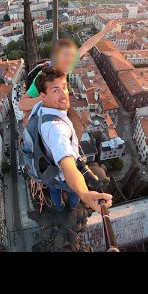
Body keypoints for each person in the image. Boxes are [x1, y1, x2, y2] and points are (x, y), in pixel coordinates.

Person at [33, 66, 113, 213]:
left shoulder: (40, 107)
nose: (64, 94)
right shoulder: (56, 129)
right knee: (72, 192)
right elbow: (68, 165)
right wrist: (85, 195)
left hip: (48, 168)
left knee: (53, 189)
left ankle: (58, 206)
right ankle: (71, 208)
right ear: (43, 95)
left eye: (64, 87)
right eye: (56, 90)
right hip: (62, 176)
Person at [18, 20, 118, 119]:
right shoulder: (45, 77)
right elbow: (21, 104)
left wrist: (105, 30)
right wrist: (44, 98)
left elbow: (86, 46)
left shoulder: (66, 67)